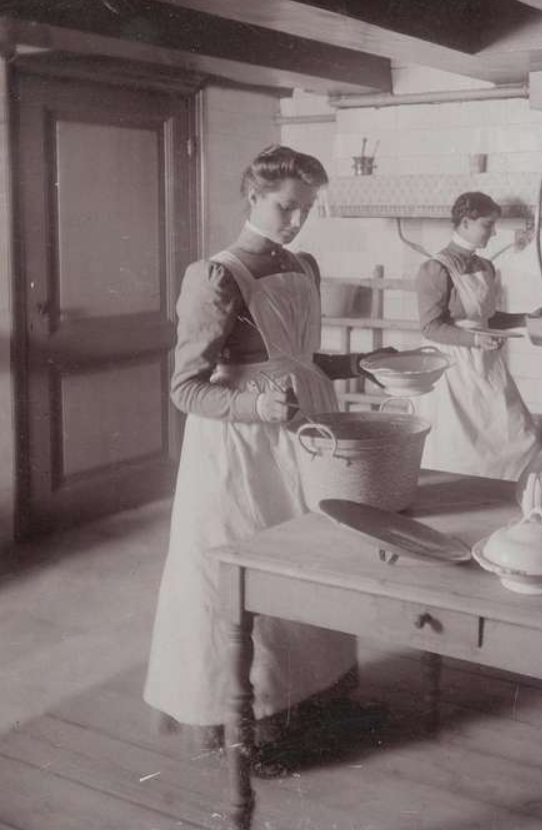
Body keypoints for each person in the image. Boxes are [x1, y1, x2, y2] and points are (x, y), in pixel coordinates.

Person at [144, 145, 390, 769]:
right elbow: (184, 389)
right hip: (242, 450)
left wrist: (362, 364)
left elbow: (299, 358)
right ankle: (255, 727)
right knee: (253, 575)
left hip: (304, 428)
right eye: (286, 207)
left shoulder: (302, 263)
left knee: (318, 560)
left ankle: (323, 700)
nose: (297, 220)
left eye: (306, 208)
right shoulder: (216, 275)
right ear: (253, 196)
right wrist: (256, 409)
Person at [413, 191, 541, 480]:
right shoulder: (435, 269)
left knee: (520, 437)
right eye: (487, 224)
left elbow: (486, 318)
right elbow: (430, 327)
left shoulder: (485, 267)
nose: (494, 232)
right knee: (458, 450)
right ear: (465, 223)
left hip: (486, 362)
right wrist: (474, 340)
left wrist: (528, 318)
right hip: (451, 368)